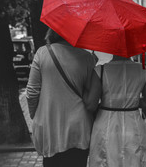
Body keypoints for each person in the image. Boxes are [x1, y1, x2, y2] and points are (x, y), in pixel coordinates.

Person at [26, 28, 101, 167]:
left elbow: (31, 92)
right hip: (78, 126)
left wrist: (35, 114)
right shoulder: (86, 57)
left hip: (50, 125)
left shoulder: (42, 53)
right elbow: (91, 95)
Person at [89, 55, 146, 167]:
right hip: (133, 124)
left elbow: (91, 104)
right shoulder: (142, 70)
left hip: (106, 124)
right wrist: (132, 101)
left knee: (104, 159)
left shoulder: (100, 70)